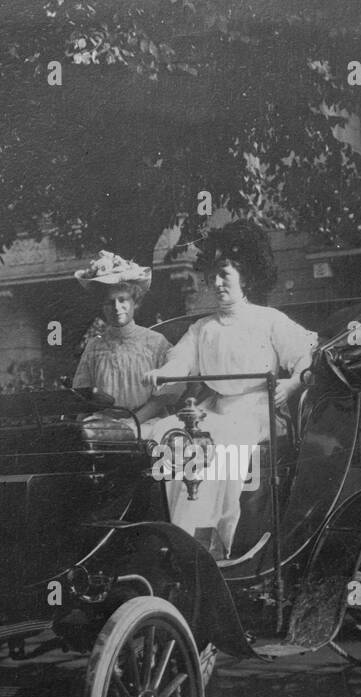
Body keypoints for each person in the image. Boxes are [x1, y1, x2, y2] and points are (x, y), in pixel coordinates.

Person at [143, 221, 317, 557]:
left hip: (256, 412)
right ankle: (176, 531)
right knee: (167, 433)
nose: (217, 283)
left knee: (216, 443)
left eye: (226, 274)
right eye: (214, 275)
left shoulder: (269, 320)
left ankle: (210, 539)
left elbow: (306, 359)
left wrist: (293, 384)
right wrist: (163, 373)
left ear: (246, 275)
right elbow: (182, 362)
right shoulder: (202, 328)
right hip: (215, 409)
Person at [72, 252, 172, 422]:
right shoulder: (94, 346)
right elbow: (84, 396)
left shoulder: (156, 342)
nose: (117, 308)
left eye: (123, 300)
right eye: (110, 302)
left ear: (135, 302)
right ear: (102, 307)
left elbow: (165, 395)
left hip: (147, 422)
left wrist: (134, 423)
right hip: (105, 424)